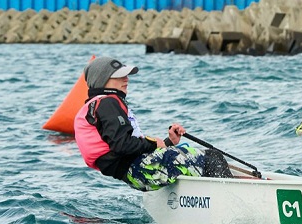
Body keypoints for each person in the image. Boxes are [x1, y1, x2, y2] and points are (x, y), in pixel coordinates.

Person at [74, 56, 231, 191]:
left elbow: (123, 148)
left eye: (126, 75)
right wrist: (154, 143)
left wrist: (169, 142)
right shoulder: (108, 103)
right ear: (103, 80)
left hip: (135, 174)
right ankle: (229, 199)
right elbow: (122, 145)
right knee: (213, 158)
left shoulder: (97, 104)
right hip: (140, 169)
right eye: (119, 76)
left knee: (186, 149)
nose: (126, 79)